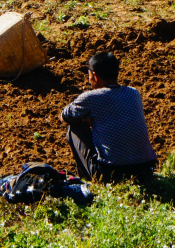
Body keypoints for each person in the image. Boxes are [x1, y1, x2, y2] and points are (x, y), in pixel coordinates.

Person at [60, 51, 157, 183]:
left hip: (111, 173)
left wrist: (86, 119)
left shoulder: (90, 98)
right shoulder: (133, 93)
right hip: (145, 170)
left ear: (94, 75)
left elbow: (65, 116)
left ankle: (87, 180)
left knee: (74, 128)